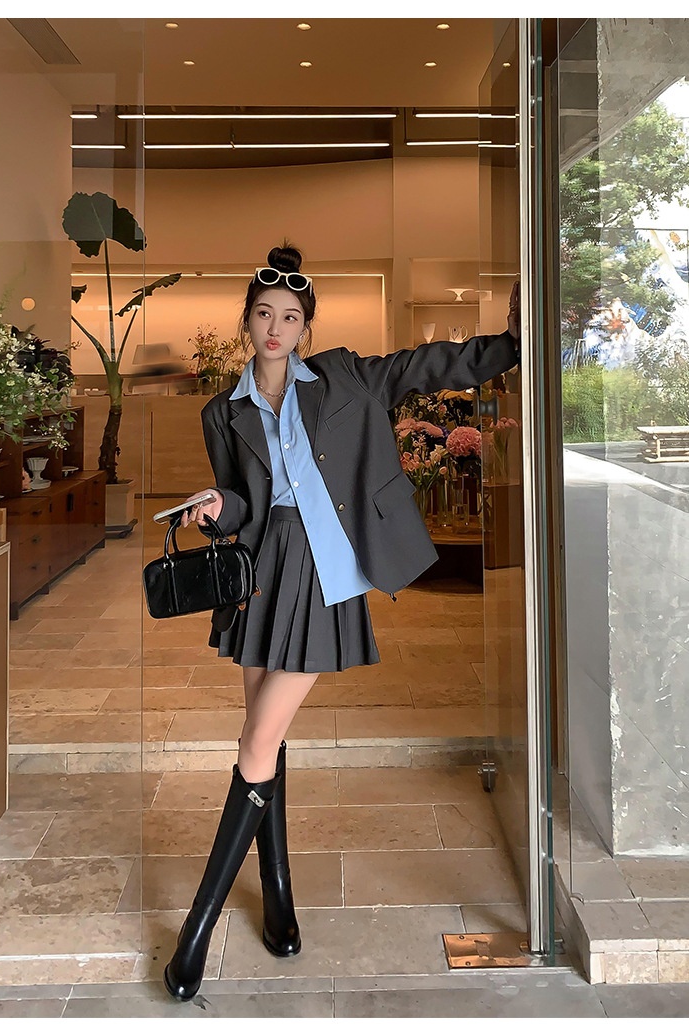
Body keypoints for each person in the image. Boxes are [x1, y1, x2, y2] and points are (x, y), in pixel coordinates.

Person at [163, 244, 521, 1001]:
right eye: (264, 314)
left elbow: (429, 366)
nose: (276, 328)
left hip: (323, 571)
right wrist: (214, 507)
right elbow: (242, 502)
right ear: (247, 319)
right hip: (261, 573)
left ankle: (196, 929)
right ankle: (279, 899)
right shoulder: (221, 411)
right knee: (262, 740)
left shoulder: (344, 377)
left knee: (256, 742)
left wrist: (514, 345)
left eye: (291, 317)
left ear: (306, 327)